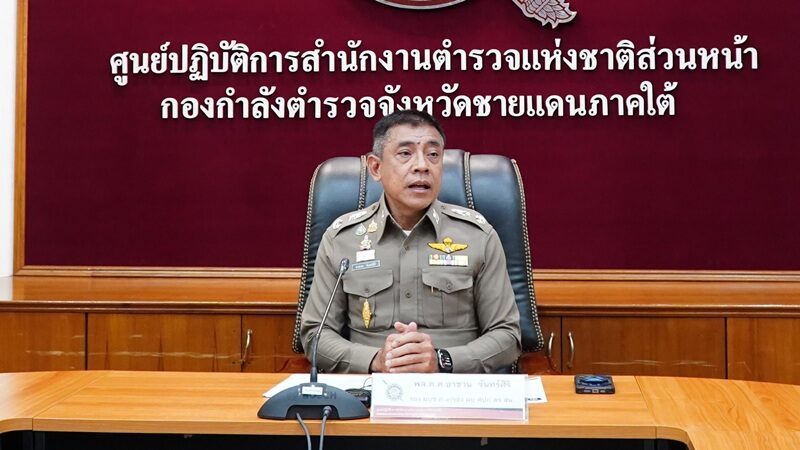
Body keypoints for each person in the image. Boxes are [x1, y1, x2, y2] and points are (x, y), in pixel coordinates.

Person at [300, 110, 521, 374]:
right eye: (405, 153)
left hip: (454, 385)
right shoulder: (342, 239)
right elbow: (315, 335)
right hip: (369, 386)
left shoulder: (478, 236)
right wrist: (375, 360)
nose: (422, 166)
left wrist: (443, 360)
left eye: (433, 154)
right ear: (376, 168)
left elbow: (507, 335)